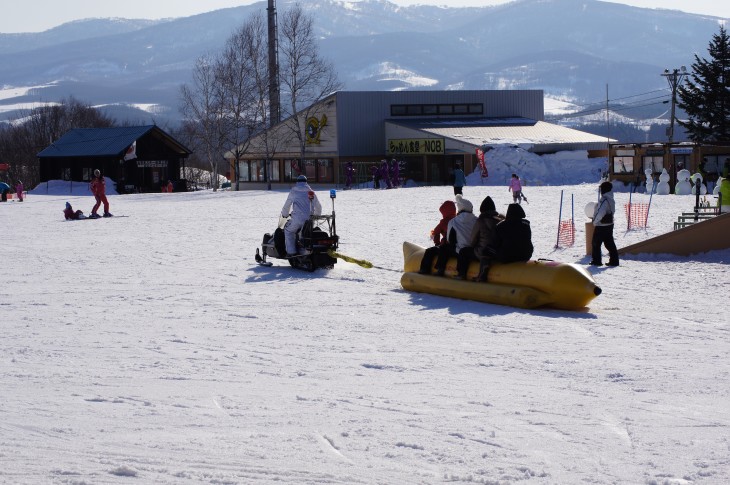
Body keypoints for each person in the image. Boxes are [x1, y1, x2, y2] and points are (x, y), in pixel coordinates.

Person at [435, 194, 477, 279]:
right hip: (473, 250)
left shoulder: (453, 221)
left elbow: (450, 239)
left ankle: (440, 269)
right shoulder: (477, 220)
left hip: (460, 251)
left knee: (444, 249)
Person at [281, 174, 322, 257]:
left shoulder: (294, 191)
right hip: (310, 220)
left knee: (288, 231)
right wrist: (317, 215)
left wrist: (285, 214)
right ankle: (304, 251)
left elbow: (287, 204)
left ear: (297, 182)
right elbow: (318, 206)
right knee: (305, 234)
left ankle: (291, 253)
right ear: (306, 182)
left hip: (297, 219)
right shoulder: (311, 192)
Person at [468, 196, 504, 282]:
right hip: (498, 252)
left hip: (482, 252)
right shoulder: (501, 220)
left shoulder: (480, 221)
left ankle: (463, 274)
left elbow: (473, 240)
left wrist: (473, 247)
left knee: (464, 252)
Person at [418, 200, 457, 275]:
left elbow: (436, 232)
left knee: (430, 251)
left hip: (446, 246)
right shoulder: (458, 218)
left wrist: (437, 243)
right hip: (459, 246)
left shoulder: (444, 221)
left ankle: (425, 269)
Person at [590, 181, 619, 267]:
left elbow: (600, 213)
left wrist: (595, 222)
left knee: (595, 243)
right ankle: (614, 261)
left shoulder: (604, 200)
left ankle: (596, 261)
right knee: (609, 243)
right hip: (610, 224)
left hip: (601, 225)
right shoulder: (611, 199)